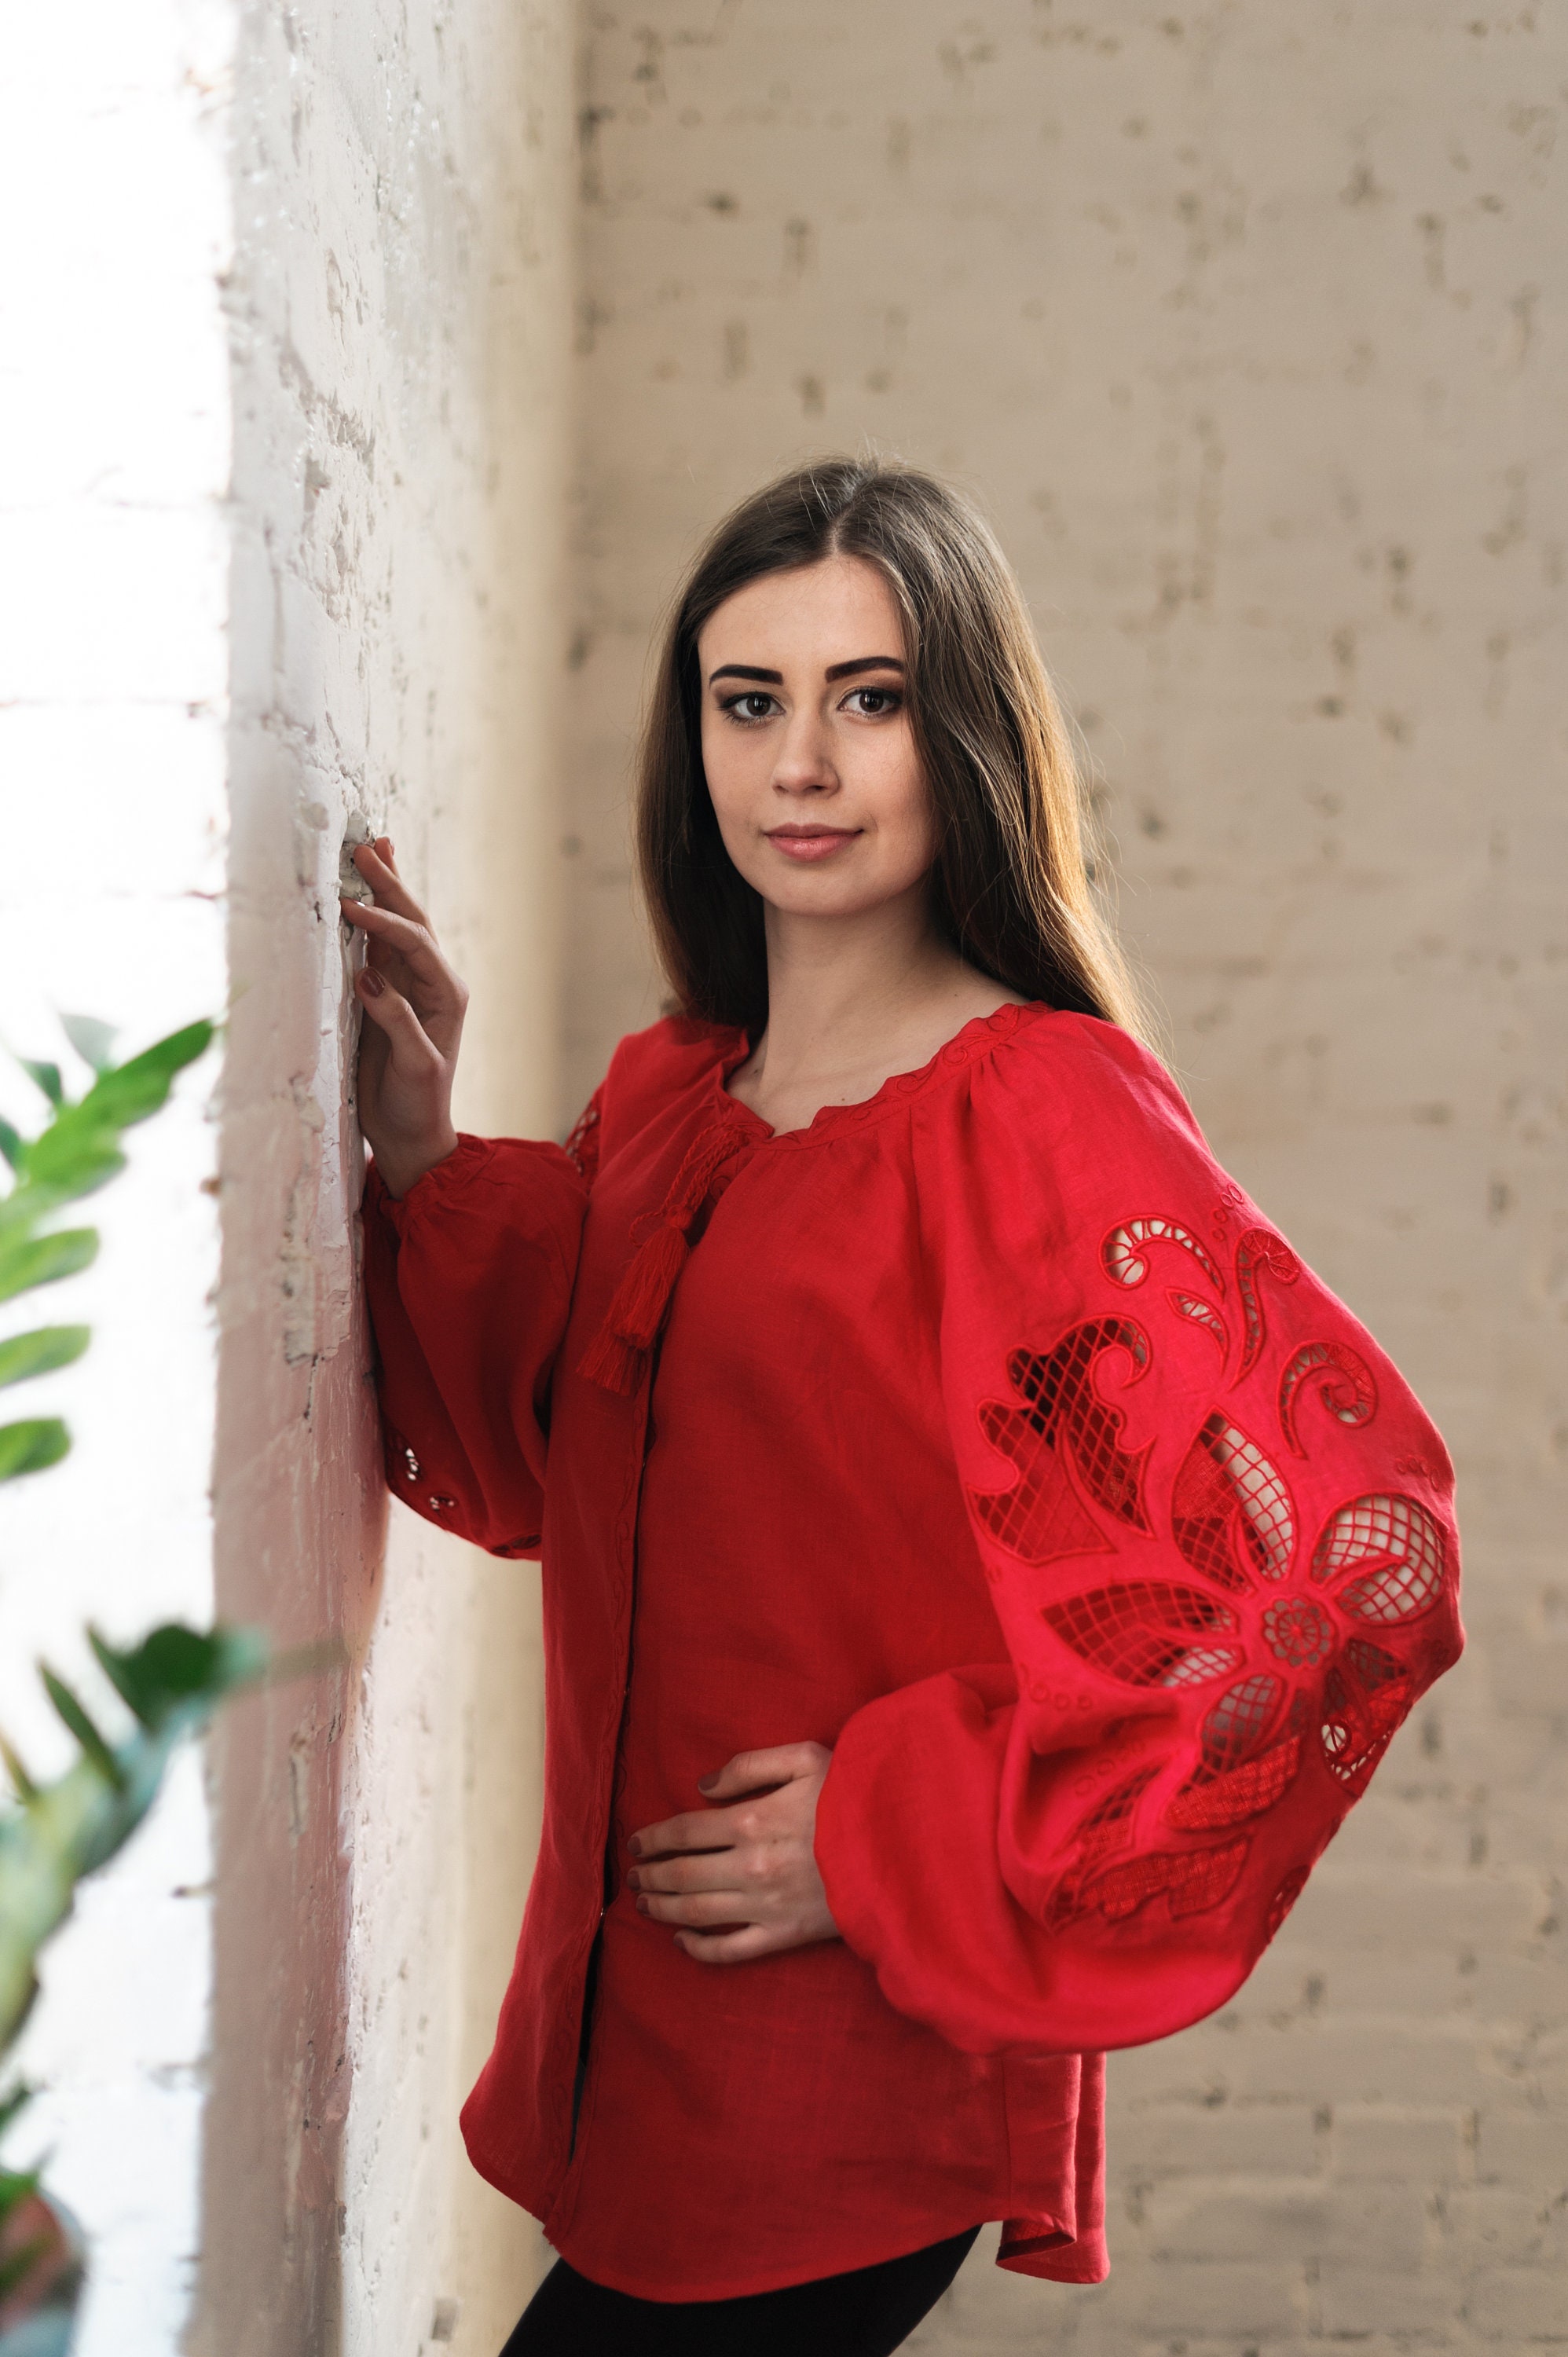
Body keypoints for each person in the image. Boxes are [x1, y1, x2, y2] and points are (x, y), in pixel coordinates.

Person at [343, 459, 1463, 2357]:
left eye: (866, 701)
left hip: (842, 2063)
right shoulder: (678, 1103)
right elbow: (577, 1423)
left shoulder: (1037, 1111)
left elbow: (1352, 1571)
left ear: (959, 738)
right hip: (645, 2046)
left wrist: (885, 1826)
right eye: (745, 699)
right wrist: (420, 1147)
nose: (800, 762)